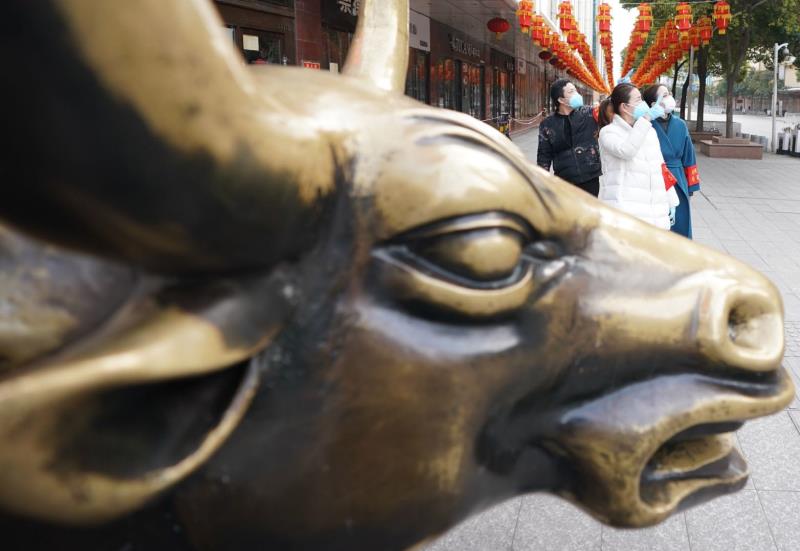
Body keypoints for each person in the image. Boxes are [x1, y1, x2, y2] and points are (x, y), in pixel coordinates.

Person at [597, 83, 680, 231]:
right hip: (625, 211)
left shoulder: (649, 132)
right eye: (638, 100)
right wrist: (646, 118)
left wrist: (671, 200)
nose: (643, 103)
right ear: (624, 107)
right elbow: (627, 151)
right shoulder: (609, 133)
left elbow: (661, 168)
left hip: (654, 211)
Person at [642, 84, 701, 239]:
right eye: (664, 95)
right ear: (653, 104)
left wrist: (691, 185)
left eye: (669, 94)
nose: (670, 98)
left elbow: (689, 156)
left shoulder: (680, 125)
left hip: (678, 178)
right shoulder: (645, 124)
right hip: (654, 178)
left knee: (680, 223)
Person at [537, 79, 602, 196]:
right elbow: (543, 156)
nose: (577, 94)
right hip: (564, 181)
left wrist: (620, 88)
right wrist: (542, 184)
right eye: (571, 91)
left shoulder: (589, 113)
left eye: (576, 90)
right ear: (561, 100)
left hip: (590, 178)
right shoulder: (547, 124)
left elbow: (609, 109)